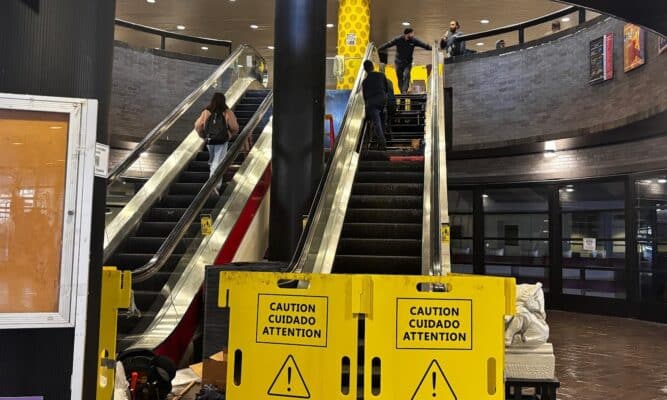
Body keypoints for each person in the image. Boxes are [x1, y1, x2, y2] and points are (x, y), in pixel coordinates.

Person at [195, 92, 240, 188]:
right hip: (222, 141)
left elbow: (198, 126)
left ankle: (212, 182)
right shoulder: (227, 112)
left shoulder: (206, 112)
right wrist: (229, 135)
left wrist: (204, 136)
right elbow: (235, 127)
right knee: (218, 161)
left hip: (210, 140)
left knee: (213, 161)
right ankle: (213, 186)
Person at [379, 28, 432, 94]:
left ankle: (404, 91)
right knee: (400, 77)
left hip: (408, 62)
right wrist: (379, 49)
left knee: (407, 75)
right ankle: (402, 91)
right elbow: (388, 44)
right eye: (412, 33)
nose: (413, 35)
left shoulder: (414, 40)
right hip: (398, 62)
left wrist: (432, 48)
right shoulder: (398, 39)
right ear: (408, 34)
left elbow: (423, 45)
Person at [361, 60, 388, 151]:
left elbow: (365, 96)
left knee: (377, 123)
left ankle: (382, 142)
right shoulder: (381, 75)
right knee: (382, 121)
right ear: (373, 66)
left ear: (365, 70)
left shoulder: (364, 82)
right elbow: (386, 88)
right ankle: (380, 143)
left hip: (372, 104)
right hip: (382, 101)